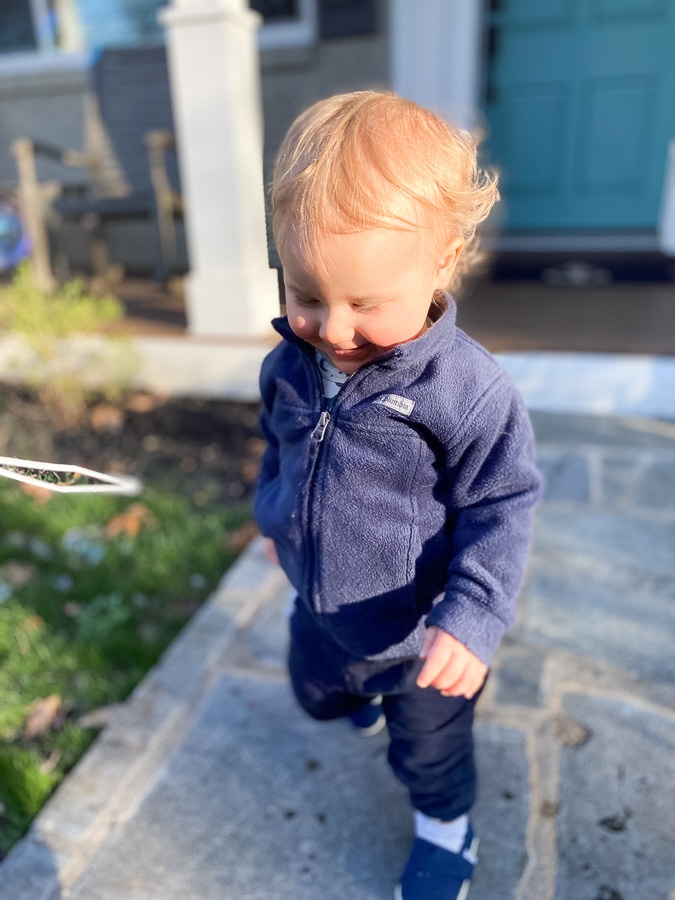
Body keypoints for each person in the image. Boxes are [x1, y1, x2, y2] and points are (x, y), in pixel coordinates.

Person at [254, 91, 542, 900]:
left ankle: (447, 832)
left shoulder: (467, 393)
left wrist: (473, 616)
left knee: (428, 753)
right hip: (318, 605)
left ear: (441, 261)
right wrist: (271, 511)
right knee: (315, 695)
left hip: (421, 640)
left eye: (366, 304)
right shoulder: (289, 364)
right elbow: (274, 442)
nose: (333, 329)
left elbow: (503, 502)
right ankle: (349, 699)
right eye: (306, 293)